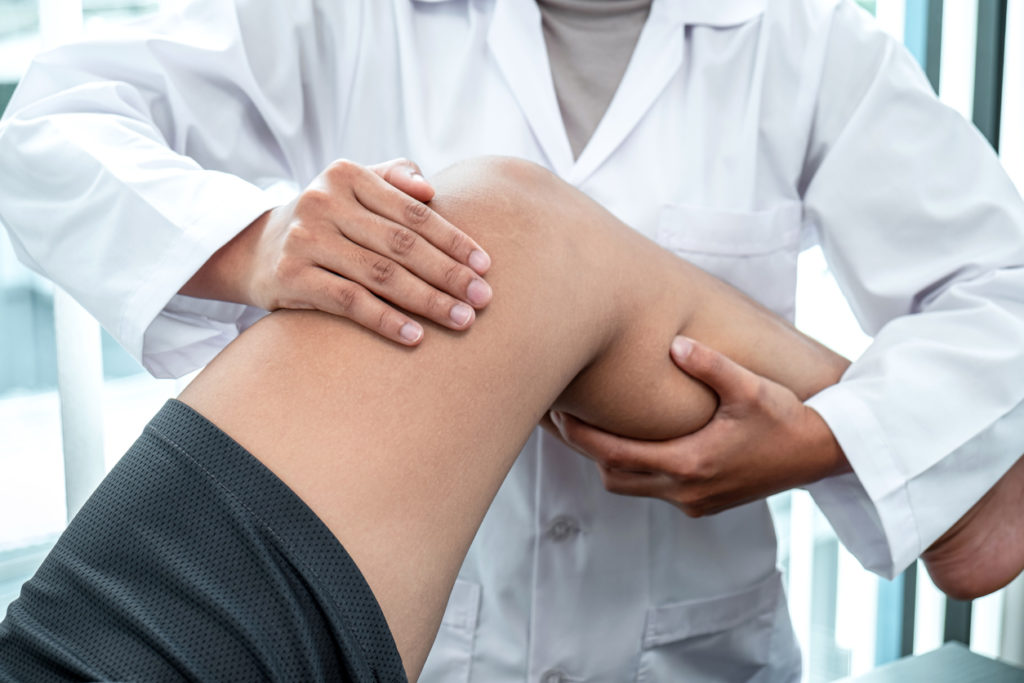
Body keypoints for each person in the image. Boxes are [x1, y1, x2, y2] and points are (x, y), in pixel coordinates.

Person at [1, 0, 1023, 680]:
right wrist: (252, 240)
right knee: (510, 227)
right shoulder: (343, 16)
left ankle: (953, 493)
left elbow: (1003, 295)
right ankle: (964, 495)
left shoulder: (805, 42)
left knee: (520, 229)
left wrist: (831, 440)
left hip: (688, 646)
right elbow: (52, 121)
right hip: (426, 640)